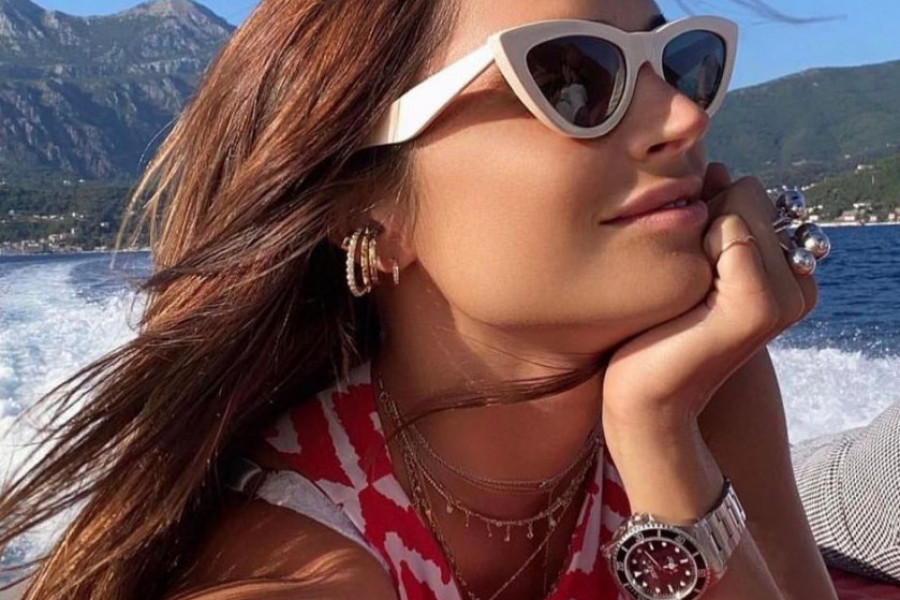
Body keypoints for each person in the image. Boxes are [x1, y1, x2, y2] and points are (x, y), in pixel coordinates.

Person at [0, 0, 896, 599]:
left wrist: (658, 434)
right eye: (573, 79)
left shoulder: (704, 388)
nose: (686, 117)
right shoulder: (294, 569)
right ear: (370, 208)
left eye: (679, 63)